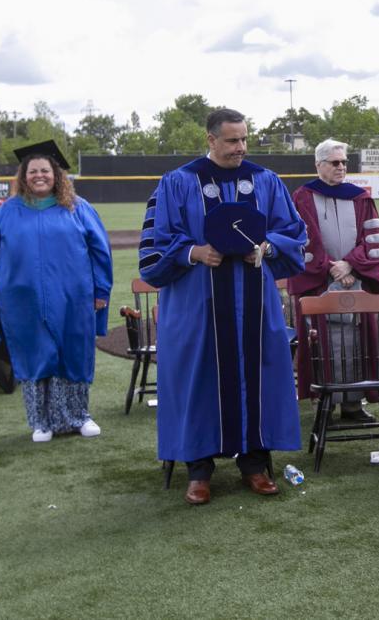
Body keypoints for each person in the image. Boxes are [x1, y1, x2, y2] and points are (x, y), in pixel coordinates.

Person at [140, 108, 307, 505]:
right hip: (198, 305)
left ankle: (255, 464)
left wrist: (268, 247)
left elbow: (294, 234)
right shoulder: (177, 183)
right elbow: (156, 244)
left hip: (254, 301)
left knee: (258, 377)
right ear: (211, 140)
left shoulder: (265, 181)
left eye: (245, 139)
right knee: (198, 380)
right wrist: (193, 252)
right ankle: (198, 471)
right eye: (232, 140)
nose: (241, 147)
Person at [0, 140, 112, 443]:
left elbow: (100, 251)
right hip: (21, 299)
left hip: (73, 295)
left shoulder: (77, 208)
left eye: (45, 170)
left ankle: (79, 417)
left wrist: (101, 289)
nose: (39, 175)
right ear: (24, 177)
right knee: (34, 354)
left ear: (57, 174)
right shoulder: (8, 212)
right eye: (33, 171)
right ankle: (41, 422)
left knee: (72, 352)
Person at [287, 138, 379, 420]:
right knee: (321, 342)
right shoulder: (302, 197)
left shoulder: (361, 198)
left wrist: (351, 266)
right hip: (318, 282)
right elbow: (301, 240)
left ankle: (353, 405)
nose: (341, 167)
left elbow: (373, 241)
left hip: (355, 280)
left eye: (344, 162)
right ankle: (325, 402)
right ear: (319, 165)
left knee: (358, 342)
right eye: (334, 162)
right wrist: (331, 267)